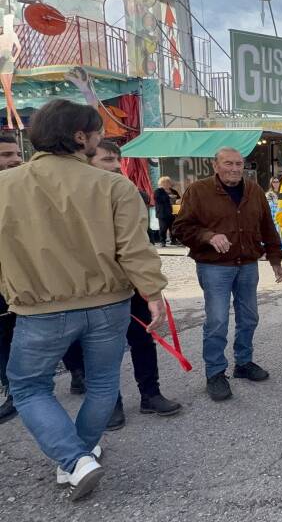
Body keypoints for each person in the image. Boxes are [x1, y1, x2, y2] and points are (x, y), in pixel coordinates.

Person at [0, 99, 167, 500]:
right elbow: (134, 249)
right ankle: (79, 455)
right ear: (80, 136)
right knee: (103, 382)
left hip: (41, 308)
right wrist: (154, 293)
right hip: (109, 304)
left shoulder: (5, 185)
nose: (99, 139)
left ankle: (75, 459)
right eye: (97, 133)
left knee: (28, 386)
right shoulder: (114, 186)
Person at [60, 141, 183, 430]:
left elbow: (140, 244)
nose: (116, 166)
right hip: (96, 290)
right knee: (101, 350)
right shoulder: (72, 198)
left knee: (143, 339)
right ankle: (109, 404)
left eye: (117, 159)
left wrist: (150, 286)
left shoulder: (131, 193)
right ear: (86, 161)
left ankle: (150, 394)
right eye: (107, 160)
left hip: (131, 284)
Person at [172, 147, 282, 402]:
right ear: (215, 166)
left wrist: (275, 258)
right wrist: (208, 236)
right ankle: (215, 373)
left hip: (248, 264)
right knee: (217, 321)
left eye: (238, 164)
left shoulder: (254, 190)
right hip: (214, 266)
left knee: (249, 317)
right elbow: (180, 228)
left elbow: (267, 226)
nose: (234, 169)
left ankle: (243, 363)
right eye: (228, 163)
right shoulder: (198, 191)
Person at [0, 133, 22, 424]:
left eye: (17, 153)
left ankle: (78, 373)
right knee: (4, 337)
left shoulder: (28, 188)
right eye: (6, 155)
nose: (16, 159)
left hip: (30, 278)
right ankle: (14, 391)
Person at [153, 176, 180, 247]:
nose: (167, 184)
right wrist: (169, 197)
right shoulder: (158, 191)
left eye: (168, 182)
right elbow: (158, 199)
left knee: (173, 227)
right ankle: (162, 241)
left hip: (173, 212)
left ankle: (173, 240)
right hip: (163, 213)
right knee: (163, 228)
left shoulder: (173, 191)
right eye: (165, 182)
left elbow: (178, 198)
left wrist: (178, 200)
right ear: (161, 183)